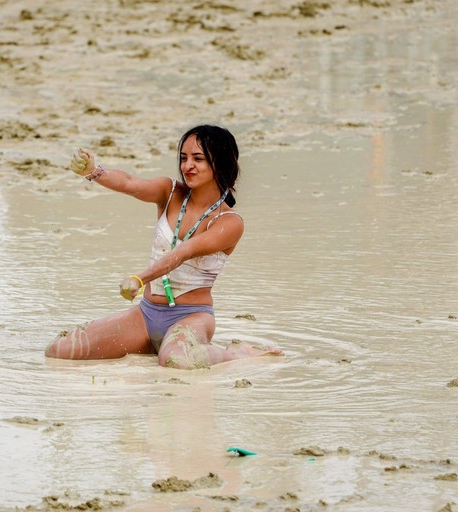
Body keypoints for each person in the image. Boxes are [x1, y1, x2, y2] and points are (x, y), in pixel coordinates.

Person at [45, 125, 282, 369]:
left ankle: (237, 354)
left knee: (176, 360)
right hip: (145, 315)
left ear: (219, 163)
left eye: (198, 159)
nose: (187, 165)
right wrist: (93, 171)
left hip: (191, 317)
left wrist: (139, 278)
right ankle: (153, 344)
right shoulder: (169, 192)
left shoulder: (230, 222)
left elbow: (182, 253)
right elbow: (129, 182)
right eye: (183, 158)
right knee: (60, 350)